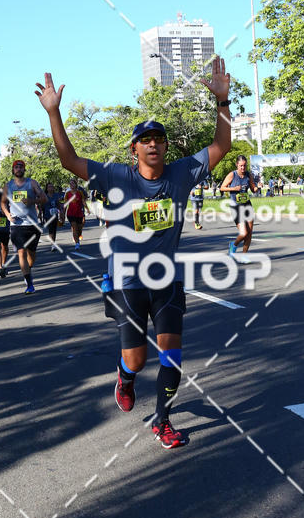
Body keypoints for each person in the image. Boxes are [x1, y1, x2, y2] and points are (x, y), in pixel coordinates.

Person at [36, 59, 231, 449]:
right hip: (126, 281)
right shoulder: (116, 177)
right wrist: (55, 113)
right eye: (146, 140)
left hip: (167, 280)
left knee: (172, 356)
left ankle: (162, 420)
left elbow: (222, 145)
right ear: (135, 149)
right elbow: (68, 161)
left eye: (159, 138)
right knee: (137, 360)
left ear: (165, 145)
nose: (154, 144)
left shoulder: (182, 172)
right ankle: (124, 378)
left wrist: (222, 102)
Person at [1, 159, 47, 293]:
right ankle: (29, 283)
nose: (18, 169)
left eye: (21, 167)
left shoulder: (31, 183)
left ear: (24, 169)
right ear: (13, 170)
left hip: (32, 224)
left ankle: (28, 270)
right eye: (16, 167)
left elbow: (44, 199)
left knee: (31, 254)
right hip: (16, 225)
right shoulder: (8, 186)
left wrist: (32, 200)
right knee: (21, 252)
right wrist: (8, 215)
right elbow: (3, 203)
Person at [220, 154, 257, 257]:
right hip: (236, 207)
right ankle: (234, 244)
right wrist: (233, 189)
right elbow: (222, 188)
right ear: (237, 165)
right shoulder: (232, 175)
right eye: (241, 165)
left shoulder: (248, 175)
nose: (243, 168)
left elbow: (253, 188)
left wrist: (257, 188)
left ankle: (244, 256)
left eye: (244, 165)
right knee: (243, 233)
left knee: (249, 233)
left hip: (247, 205)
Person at [63, 177, 87, 249]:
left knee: (79, 227)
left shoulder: (80, 191)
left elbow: (84, 199)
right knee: (74, 227)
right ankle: (77, 243)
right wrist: (63, 213)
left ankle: (77, 235)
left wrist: (87, 208)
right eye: (70, 184)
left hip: (79, 211)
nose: (71, 185)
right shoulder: (67, 192)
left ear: (76, 184)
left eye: (73, 183)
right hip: (71, 213)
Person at [43, 182, 64, 250]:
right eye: (49, 187)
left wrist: (61, 211)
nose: (51, 188)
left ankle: (53, 243)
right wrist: (40, 213)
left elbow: (58, 204)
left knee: (54, 229)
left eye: (52, 186)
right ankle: (52, 244)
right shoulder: (45, 196)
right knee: (51, 229)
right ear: (47, 188)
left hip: (55, 215)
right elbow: (41, 205)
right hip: (47, 215)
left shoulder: (55, 195)